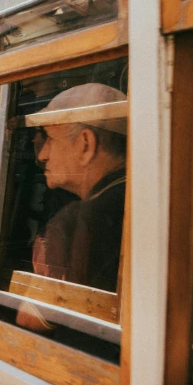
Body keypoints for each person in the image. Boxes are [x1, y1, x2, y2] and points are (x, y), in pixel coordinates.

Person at [30, 82, 127, 292]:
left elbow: (31, 318)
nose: (42, 155)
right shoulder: (143, 199)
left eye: (50, 139)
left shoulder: (81, 219)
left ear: (85, 145)